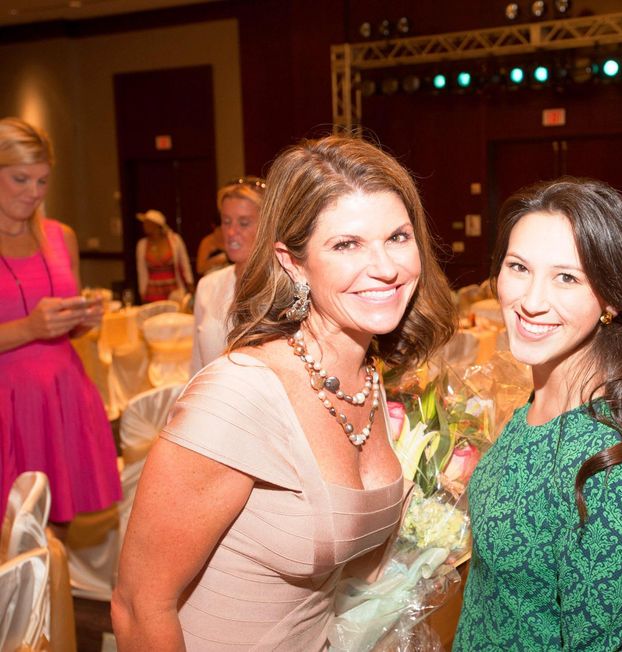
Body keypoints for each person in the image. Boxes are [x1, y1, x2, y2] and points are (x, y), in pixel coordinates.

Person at [112, 135, 456, 650]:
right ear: (292, 262)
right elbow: (139, 606)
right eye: (346, 244)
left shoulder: (369, 378)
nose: (386, 267)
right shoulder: (238, 396)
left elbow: (350, 560)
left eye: (398, 237)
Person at [454, 178, 622, 650]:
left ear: (611, 298)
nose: (531, 301)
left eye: (567, 278)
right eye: (519, 267)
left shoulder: (610, 469)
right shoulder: (542, 402)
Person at [0, 116, 121, 536]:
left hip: (61, 392)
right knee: (13, 535)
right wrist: (30, 328)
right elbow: (33, 325)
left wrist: (81, 321)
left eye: (42, 181)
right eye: (20, 179)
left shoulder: (59, 236)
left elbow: (64, 329)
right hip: (7, 400)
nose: (33, 193)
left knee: (59, 526)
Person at [190, 176, 266, 374]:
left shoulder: (284, 287)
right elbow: (197, 364)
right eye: (226, 221)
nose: (231, 232)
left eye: (243, 223)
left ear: (267, 226)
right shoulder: (208, 286)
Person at [135, 208, 193, 302]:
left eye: (148, 223)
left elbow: (184, 263)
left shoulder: (174, 240)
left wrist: (190, 283)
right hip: (152, 292)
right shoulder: (142, 245)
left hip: (174, 291)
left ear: (157, 225)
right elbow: (141, 270)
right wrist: (142, 292)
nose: (144, 226)